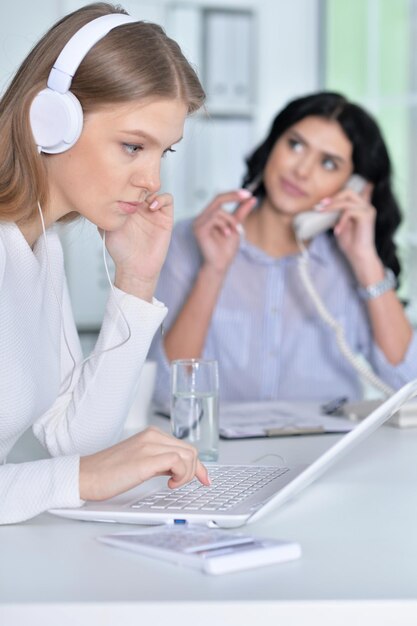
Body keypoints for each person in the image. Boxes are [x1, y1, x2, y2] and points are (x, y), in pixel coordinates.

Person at [0, 2, 211, 525]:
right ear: (50, 120)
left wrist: (136, 281)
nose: (152, 180)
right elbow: (78, 468)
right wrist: (78, 478)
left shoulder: (39, 249)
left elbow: (75, 438)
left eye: (164, 152)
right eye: (133, 146)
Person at [150, 91, 417, 407]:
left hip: (329, 451)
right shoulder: (188, 241)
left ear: (354, 188)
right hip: (220, 454)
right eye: (295, 145)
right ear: (272, 145)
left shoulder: (352, 265)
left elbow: (408, 384)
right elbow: (166, 393)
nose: (301, 170)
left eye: (329, 163)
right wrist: (214, 271)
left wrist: (366, 261)